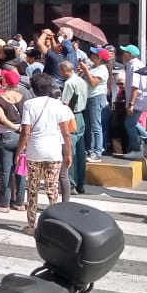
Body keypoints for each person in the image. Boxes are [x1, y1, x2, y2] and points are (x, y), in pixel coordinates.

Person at [16, 72, 73, 234]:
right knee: (52, 188)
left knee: (32, 188)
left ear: (33, 88)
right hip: (54, 151)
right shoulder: (58, 105)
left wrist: (19, 152)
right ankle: (55, 224)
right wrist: (68, 153)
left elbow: (25, 132)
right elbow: (66, 132)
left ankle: (31, 225)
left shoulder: (29, 104)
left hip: (35, 151)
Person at [0, 69, 26, 212]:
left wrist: (14, 127)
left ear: (4, 81)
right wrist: (20, 129)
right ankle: (19, 202)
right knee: (20, 169)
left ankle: (4, 203)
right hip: (21, 137)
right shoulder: (23, 97)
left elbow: (2, 119)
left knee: (6, 171)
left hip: (6, 136)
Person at [119, 45, 147, 159]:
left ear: (130, 54)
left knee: (129, 124)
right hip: (141, 99)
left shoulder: (133, 65)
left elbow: (135, 86)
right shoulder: (138, 64)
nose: (123, 54)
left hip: (137, 100)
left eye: (125, 52)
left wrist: (131, 104)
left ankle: (137, 149)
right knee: (133, 123)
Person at [60, 60, 88, 194]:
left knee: (70, 150)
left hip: (71, 116)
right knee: (81, 151)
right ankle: (81, 183)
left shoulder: (69, 83)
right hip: (81, 115)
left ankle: (71, 183)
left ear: (65, 70)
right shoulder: (82, 81)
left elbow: (65, 103)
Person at [77, 48, 109, 162]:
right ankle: (91, 150)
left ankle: (97, 152)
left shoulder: (102, 69)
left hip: (96, 97)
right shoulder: (95, 68)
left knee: (96, 125)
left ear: (99, 57)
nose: (91, 54)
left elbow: (94, 83)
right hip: (90, 97)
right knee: (90, 125)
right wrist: (83, 71)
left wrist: (86, 71)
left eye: (94, 53)